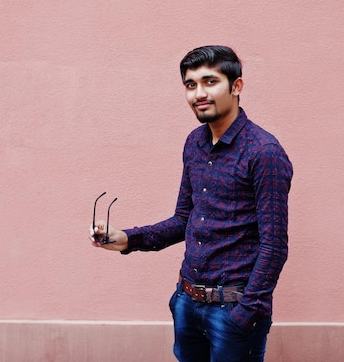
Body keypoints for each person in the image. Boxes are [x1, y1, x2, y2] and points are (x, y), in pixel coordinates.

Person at [89, 45, 293, 362]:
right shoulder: (194, 143)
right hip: (188, 302)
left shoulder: (264, 152)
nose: (199, 93)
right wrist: (127, 238)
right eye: (190, 84)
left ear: (236, 86)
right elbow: (184, 220)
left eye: (210, 82)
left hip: (233, 310)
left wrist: (246, 312)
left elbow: (275, 245)